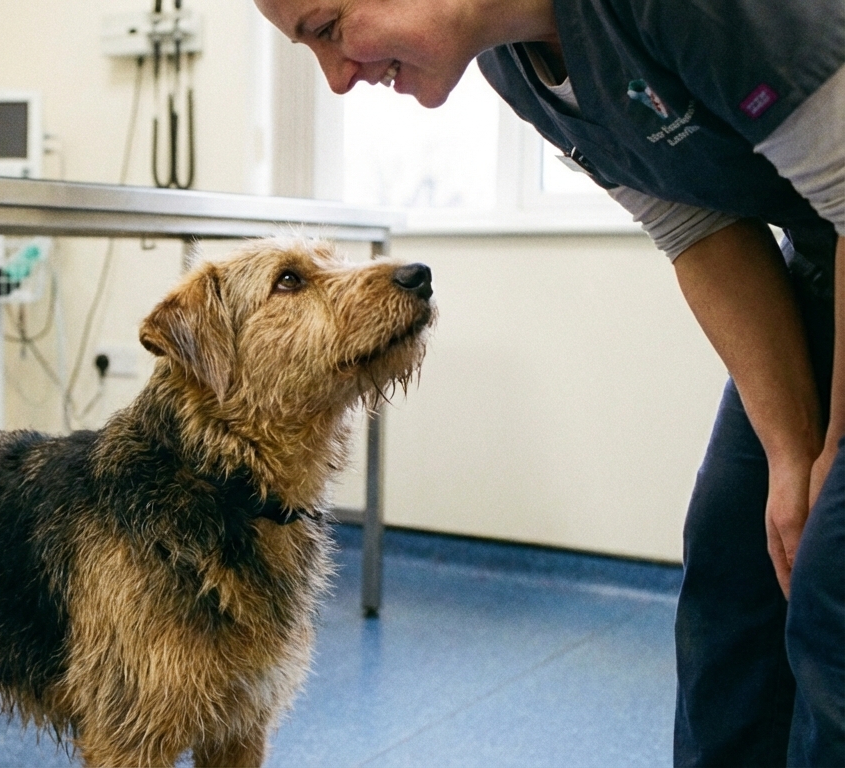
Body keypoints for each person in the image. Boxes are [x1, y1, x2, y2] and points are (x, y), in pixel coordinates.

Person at [252, 0, 845, 764]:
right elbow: (697, 225)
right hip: (825, 248)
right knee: (736, 566)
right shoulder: (514, 62)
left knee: (832, 589)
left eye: (329, 29)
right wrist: (792, 453)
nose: (334, 79)